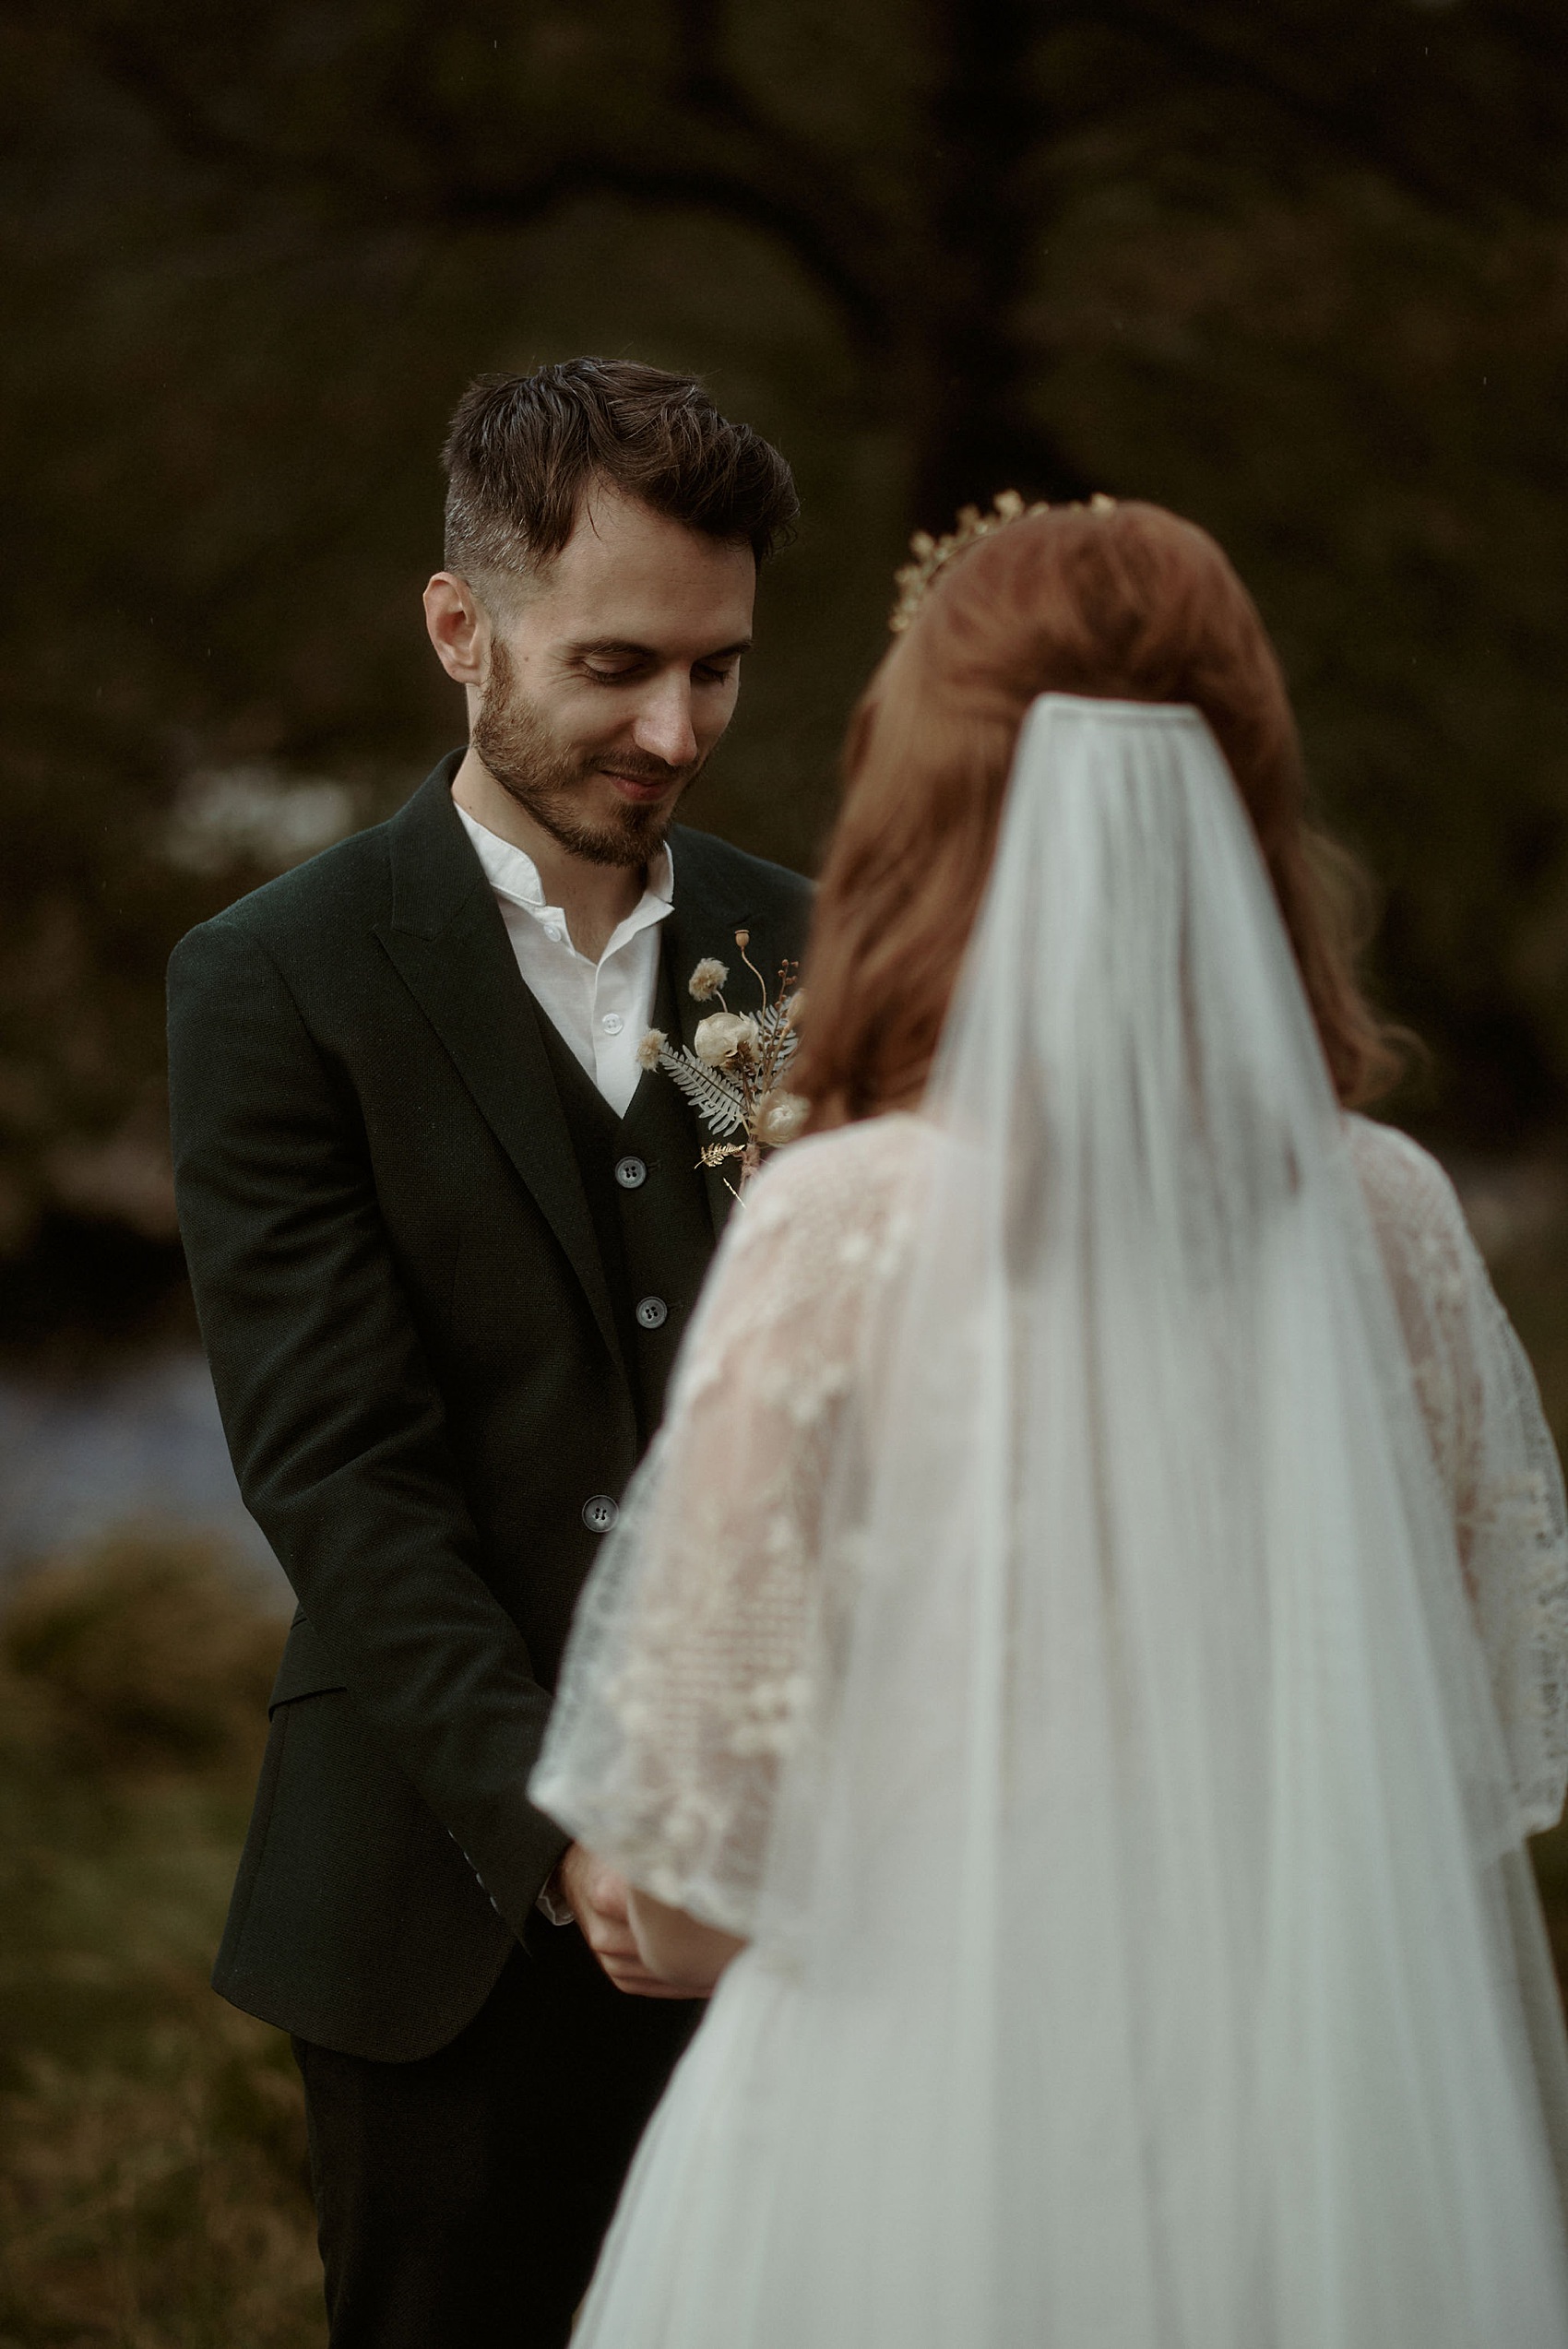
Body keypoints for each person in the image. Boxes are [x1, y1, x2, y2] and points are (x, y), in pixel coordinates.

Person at [531, 495, 1568, 2345]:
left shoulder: (843, 1225)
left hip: (898, 2152)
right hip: (1312, 2162)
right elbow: (1470, 1759)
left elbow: (692, 1886)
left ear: (922, 805)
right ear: (1247, 802)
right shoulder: (1394, 1217)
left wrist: (636, 1885)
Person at [166, 358, 811, 2347]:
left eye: (717, 671)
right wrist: (566, 1826)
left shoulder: (824, 953)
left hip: (802, 1905)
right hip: (434, 1913)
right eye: (618, 662)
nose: (671, 729)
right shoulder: (275, 978)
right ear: (461, 627)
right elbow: (338, 1466)